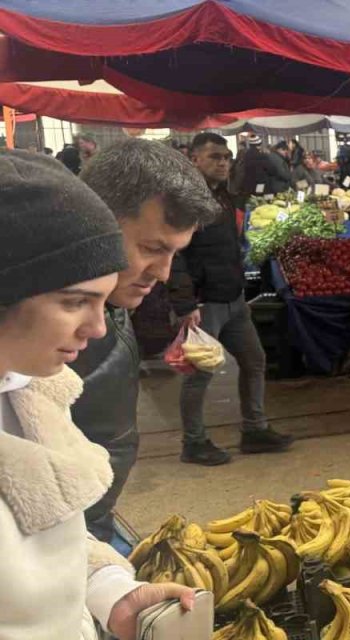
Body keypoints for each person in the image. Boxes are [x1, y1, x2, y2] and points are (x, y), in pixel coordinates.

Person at [0, 149, 202, 639]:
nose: (96, 327)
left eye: (100, 301)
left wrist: (112, 588)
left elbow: (49, 519)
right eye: (74, 303)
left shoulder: (33, 391)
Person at [73, 139, 220, 542]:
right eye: (152, 248)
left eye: (174, 253)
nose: (163, 272)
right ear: (94, 219)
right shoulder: (30, 325)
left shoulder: (114, 307)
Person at [171, 133, 293, 465]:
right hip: (203, 304)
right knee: (200, 373)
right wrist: (185, 304)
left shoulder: (226, 198)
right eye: (214, 157)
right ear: (194, 159)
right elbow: (174, 256)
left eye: (226, 156)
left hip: (234, 299)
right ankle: (193, 442)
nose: (223, 162)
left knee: (254, 360)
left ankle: (255, 430)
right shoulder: (184, 203)